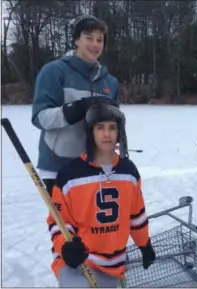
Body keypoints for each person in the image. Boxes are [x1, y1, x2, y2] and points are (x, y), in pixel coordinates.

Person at [47, 102, 156, 287]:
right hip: (79, 264)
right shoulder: (69, 175)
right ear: (91, 132)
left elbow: (136, 216)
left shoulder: (128, 172)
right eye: (100, 128)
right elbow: (58, 222)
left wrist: (145, 245)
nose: (107, 134)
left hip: (114, 265)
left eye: (112, 128)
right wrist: (65, 247)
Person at [31, 14, 120, 198]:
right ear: (76, 40)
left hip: (95, 166)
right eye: (89, 38)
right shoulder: (54, 71)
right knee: (62, 226)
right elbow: (40, 117)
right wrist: (73, 110)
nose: (95, 45)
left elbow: (114, 124)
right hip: (58, 166)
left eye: (100, 40)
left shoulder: (110, 82)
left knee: (93, 226)